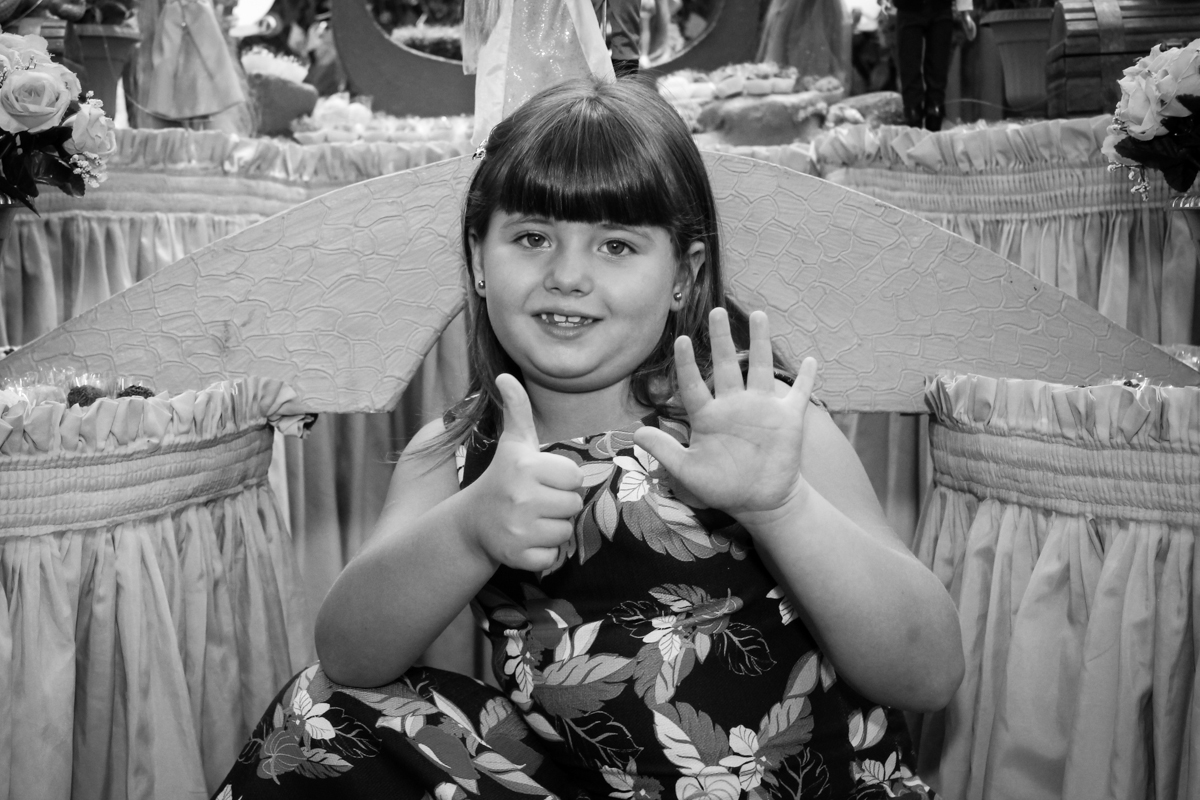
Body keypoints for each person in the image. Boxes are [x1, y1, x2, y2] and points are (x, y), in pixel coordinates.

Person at [212, 75, 964, 799]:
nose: (567, 275)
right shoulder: (456, 453)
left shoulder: (761, 424)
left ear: (683, 273)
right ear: (477, 259)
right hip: (583, 785)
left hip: (811, 785)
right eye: (532, 237)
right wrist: (470, 530)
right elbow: (348, 655)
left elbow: (929, 675)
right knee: (315, 713)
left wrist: (782, 506)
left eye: (616, 246)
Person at [892, 0, 976, 130]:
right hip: (910, 8)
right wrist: (965, 13)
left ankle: (929, 117)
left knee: (935, 75)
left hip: (938, 8)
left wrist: (965, 13)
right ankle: (916, 116)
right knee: (914, 74)